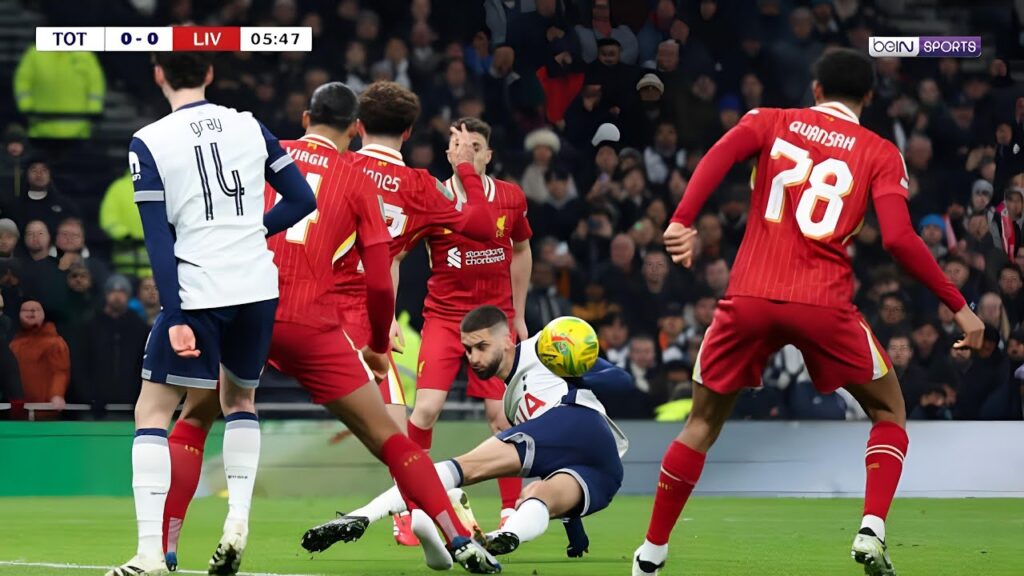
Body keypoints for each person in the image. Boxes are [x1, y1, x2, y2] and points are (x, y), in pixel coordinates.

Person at [632, 49, 985, 576]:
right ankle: (871, 528)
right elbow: (899, 239)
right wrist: (960, 308)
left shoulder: (770, 120)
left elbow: (717, 158)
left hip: (750, 296)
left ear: (816, 89)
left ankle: (651, 555)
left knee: (701, 424)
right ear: (868, 97)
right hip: (824, 303)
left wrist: (683, 220)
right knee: (889, 413)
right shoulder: (881, 152)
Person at [157, 82, 501, 575]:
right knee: (391, 438)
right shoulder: (364, 177)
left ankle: (165, 549)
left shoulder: (262, 149)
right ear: (354, 128)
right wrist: (379, 345)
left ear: (307, 119)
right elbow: (385, 281)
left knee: (192, 422)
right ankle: (460, 538)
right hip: (318, 323)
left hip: (242, 308)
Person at [107, 52, 316, 576]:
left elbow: (158, 237)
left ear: (158, 75)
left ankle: (150, 553)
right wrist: (251, 231)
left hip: (199, 291)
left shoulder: (149, 142)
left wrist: (173, 312)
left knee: (153, 412)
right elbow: (302, 199)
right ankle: (237, 519)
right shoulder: (249, 125)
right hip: (257, 286)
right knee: (240, 400)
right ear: (209, 75)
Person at [303, 307, 630, 567]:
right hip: (602, 473)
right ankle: (503, 537)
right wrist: (575, 528)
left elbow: (622, 381)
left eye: (481, 347)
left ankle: (363, 515)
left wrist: (576, 373)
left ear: (506, 340)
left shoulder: (542, 347)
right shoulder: (510, 401)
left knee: (466, 466)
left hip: (582, 421)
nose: (472, 357)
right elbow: (558, 451)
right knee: (538, 495)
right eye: (468, 349)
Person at [334, 81, 498, 546]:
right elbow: (483, 227)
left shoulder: (337, 165)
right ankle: (438, 516)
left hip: (298, 304)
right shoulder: (420, 187)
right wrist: (465, 169)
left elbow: (390, 260)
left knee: (228, 405)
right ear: (408, 133)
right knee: (396, 434)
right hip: (357, 319)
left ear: (359, 125)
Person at [396, 117, 533, 527]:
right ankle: (410, 509)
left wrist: (519, 315)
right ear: (450, 154)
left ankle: (510, 510)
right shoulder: (433, 198)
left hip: (494, 323)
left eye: (477, 145)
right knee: (425, 411)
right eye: (461, 145)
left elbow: (522, 250)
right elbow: (396, 254)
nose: (469, 152)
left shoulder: (510, 197)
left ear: (488, 154)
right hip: (444, 318)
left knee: (501, 415)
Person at [8, 298, 69, 419]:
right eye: (25, 310)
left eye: (35, 310)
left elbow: (60, 372)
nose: (31, 313)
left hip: (44, 410)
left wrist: (56, 395)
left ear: (43, 314)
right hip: (17, 410)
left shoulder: (55, 343)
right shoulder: (13, 343)